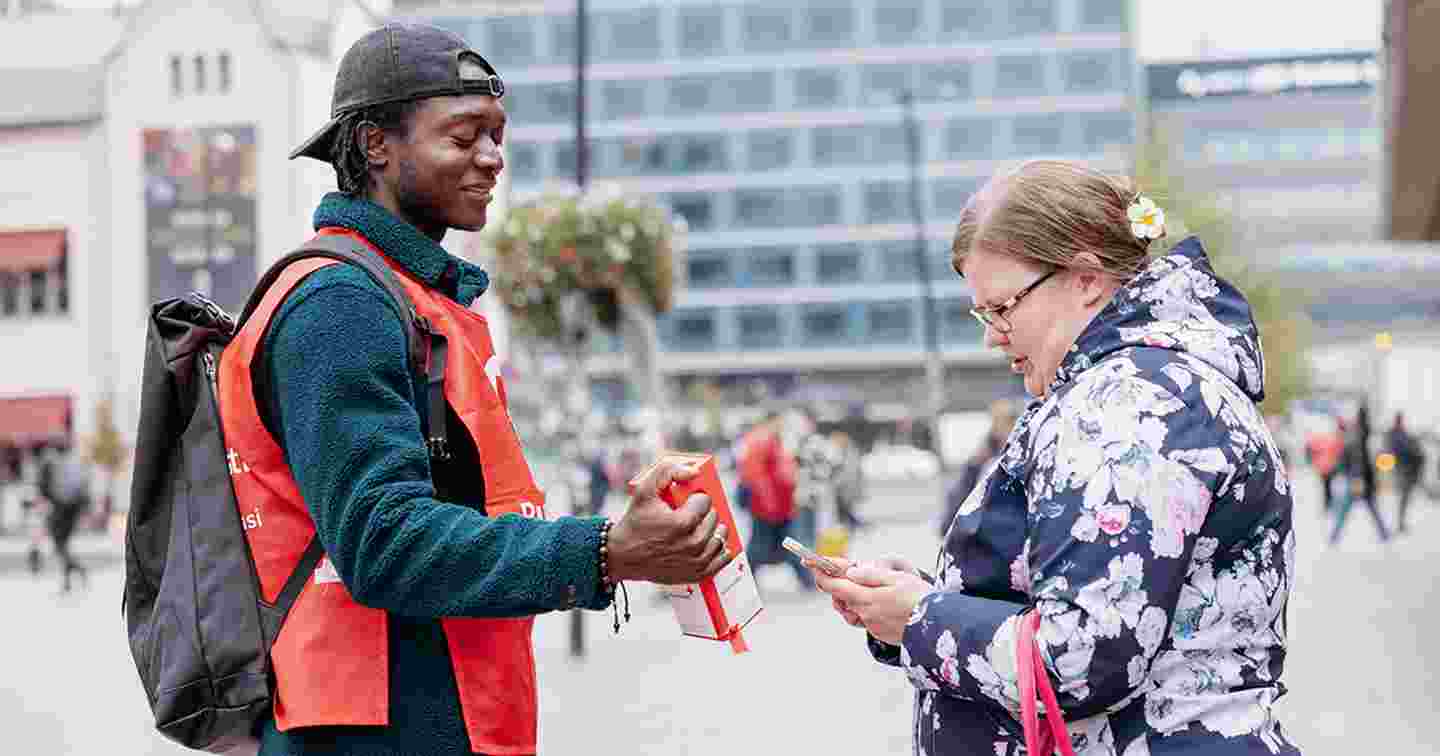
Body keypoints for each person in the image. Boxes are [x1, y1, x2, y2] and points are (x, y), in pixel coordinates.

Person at [227, 25, 733, 756]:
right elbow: (382, 541)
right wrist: (605, 551)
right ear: (376, 145)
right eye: (464, 136)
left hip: (435, 713)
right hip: (372, 729)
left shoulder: (405, 294)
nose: (493, 158)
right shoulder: (339, 303)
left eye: (497, 135)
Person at [809, 161, 1301, 755]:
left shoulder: (1130, 402)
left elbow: (1084, 656)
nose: (990, 335)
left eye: (1002, 307)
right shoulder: (1136, 386)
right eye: (981, 313)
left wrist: (920, 619)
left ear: (1086, 278)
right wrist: (917, 603)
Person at [738, 411, 810, 590]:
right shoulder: (763, 440)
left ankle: (745, 582)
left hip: (777, 505)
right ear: (772, 421)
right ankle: (807, 580)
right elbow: (757, 476)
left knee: (766, 545)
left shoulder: (768, 440)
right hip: (771, 507)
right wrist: (769, 504)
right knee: (766, 546)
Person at [939, 399, 1016, 537]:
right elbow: (953, 512)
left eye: (1006, 421)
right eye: (997, 422)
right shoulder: (983, 461)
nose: (1002, 428)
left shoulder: (1019, 458)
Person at [1329, 410, 1391, 546]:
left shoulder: (1356, 437)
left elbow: (1349, 459)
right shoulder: (1361, 438)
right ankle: (1384, 533)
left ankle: (1334, 536)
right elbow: (1357, 460)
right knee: (1362, 508)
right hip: (1361, 479)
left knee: (1351, 508)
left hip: (1359, 479)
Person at [39, 445, 91, 593]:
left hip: (60, 510)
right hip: (70, 509)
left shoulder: (52, 463)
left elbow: (46, 489)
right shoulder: (69, 463)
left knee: (60, 547)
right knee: (63, 546)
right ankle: (68, 579)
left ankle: (77, 571)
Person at [1387, 412, 1425, 534]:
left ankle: (1401, 522)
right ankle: (1400, 523)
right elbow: (1395, 450)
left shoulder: (1401, 434)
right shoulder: (1395, 434)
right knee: (1403, 496)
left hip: (1405, 468)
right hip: (1402, 468)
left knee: (1405, 496)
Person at [1305, 418, 1345, 512]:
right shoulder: (1334, 440)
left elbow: (1311, 449)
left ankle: (1328, 503)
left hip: (1323, 467)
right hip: (1329, 466)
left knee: (1326, 486)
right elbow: (1339, 452)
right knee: (1329, 486)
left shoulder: (1320, 440)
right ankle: (1330, 503)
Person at [830, 431, 867, 531]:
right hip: (846, 488)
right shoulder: (849, 453)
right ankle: (852, 526)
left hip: (845, 489)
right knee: (845, 512)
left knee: (844, 512)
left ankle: (850, 527)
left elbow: (848, 473)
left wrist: (836, 483)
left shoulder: (848, 454)